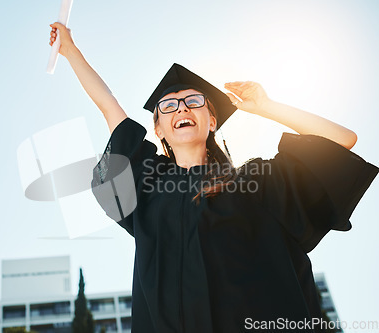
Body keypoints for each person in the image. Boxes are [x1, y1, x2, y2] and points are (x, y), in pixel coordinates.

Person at [49, 23, 378, 332]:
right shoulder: (145, 187)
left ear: (210, 121)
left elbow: (341, 141)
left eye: (193, 102)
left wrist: (266, 105)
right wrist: (71, 50)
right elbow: (110, 107)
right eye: (169, 106)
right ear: (159, 129)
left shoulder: (258, 184)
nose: (181, 109)